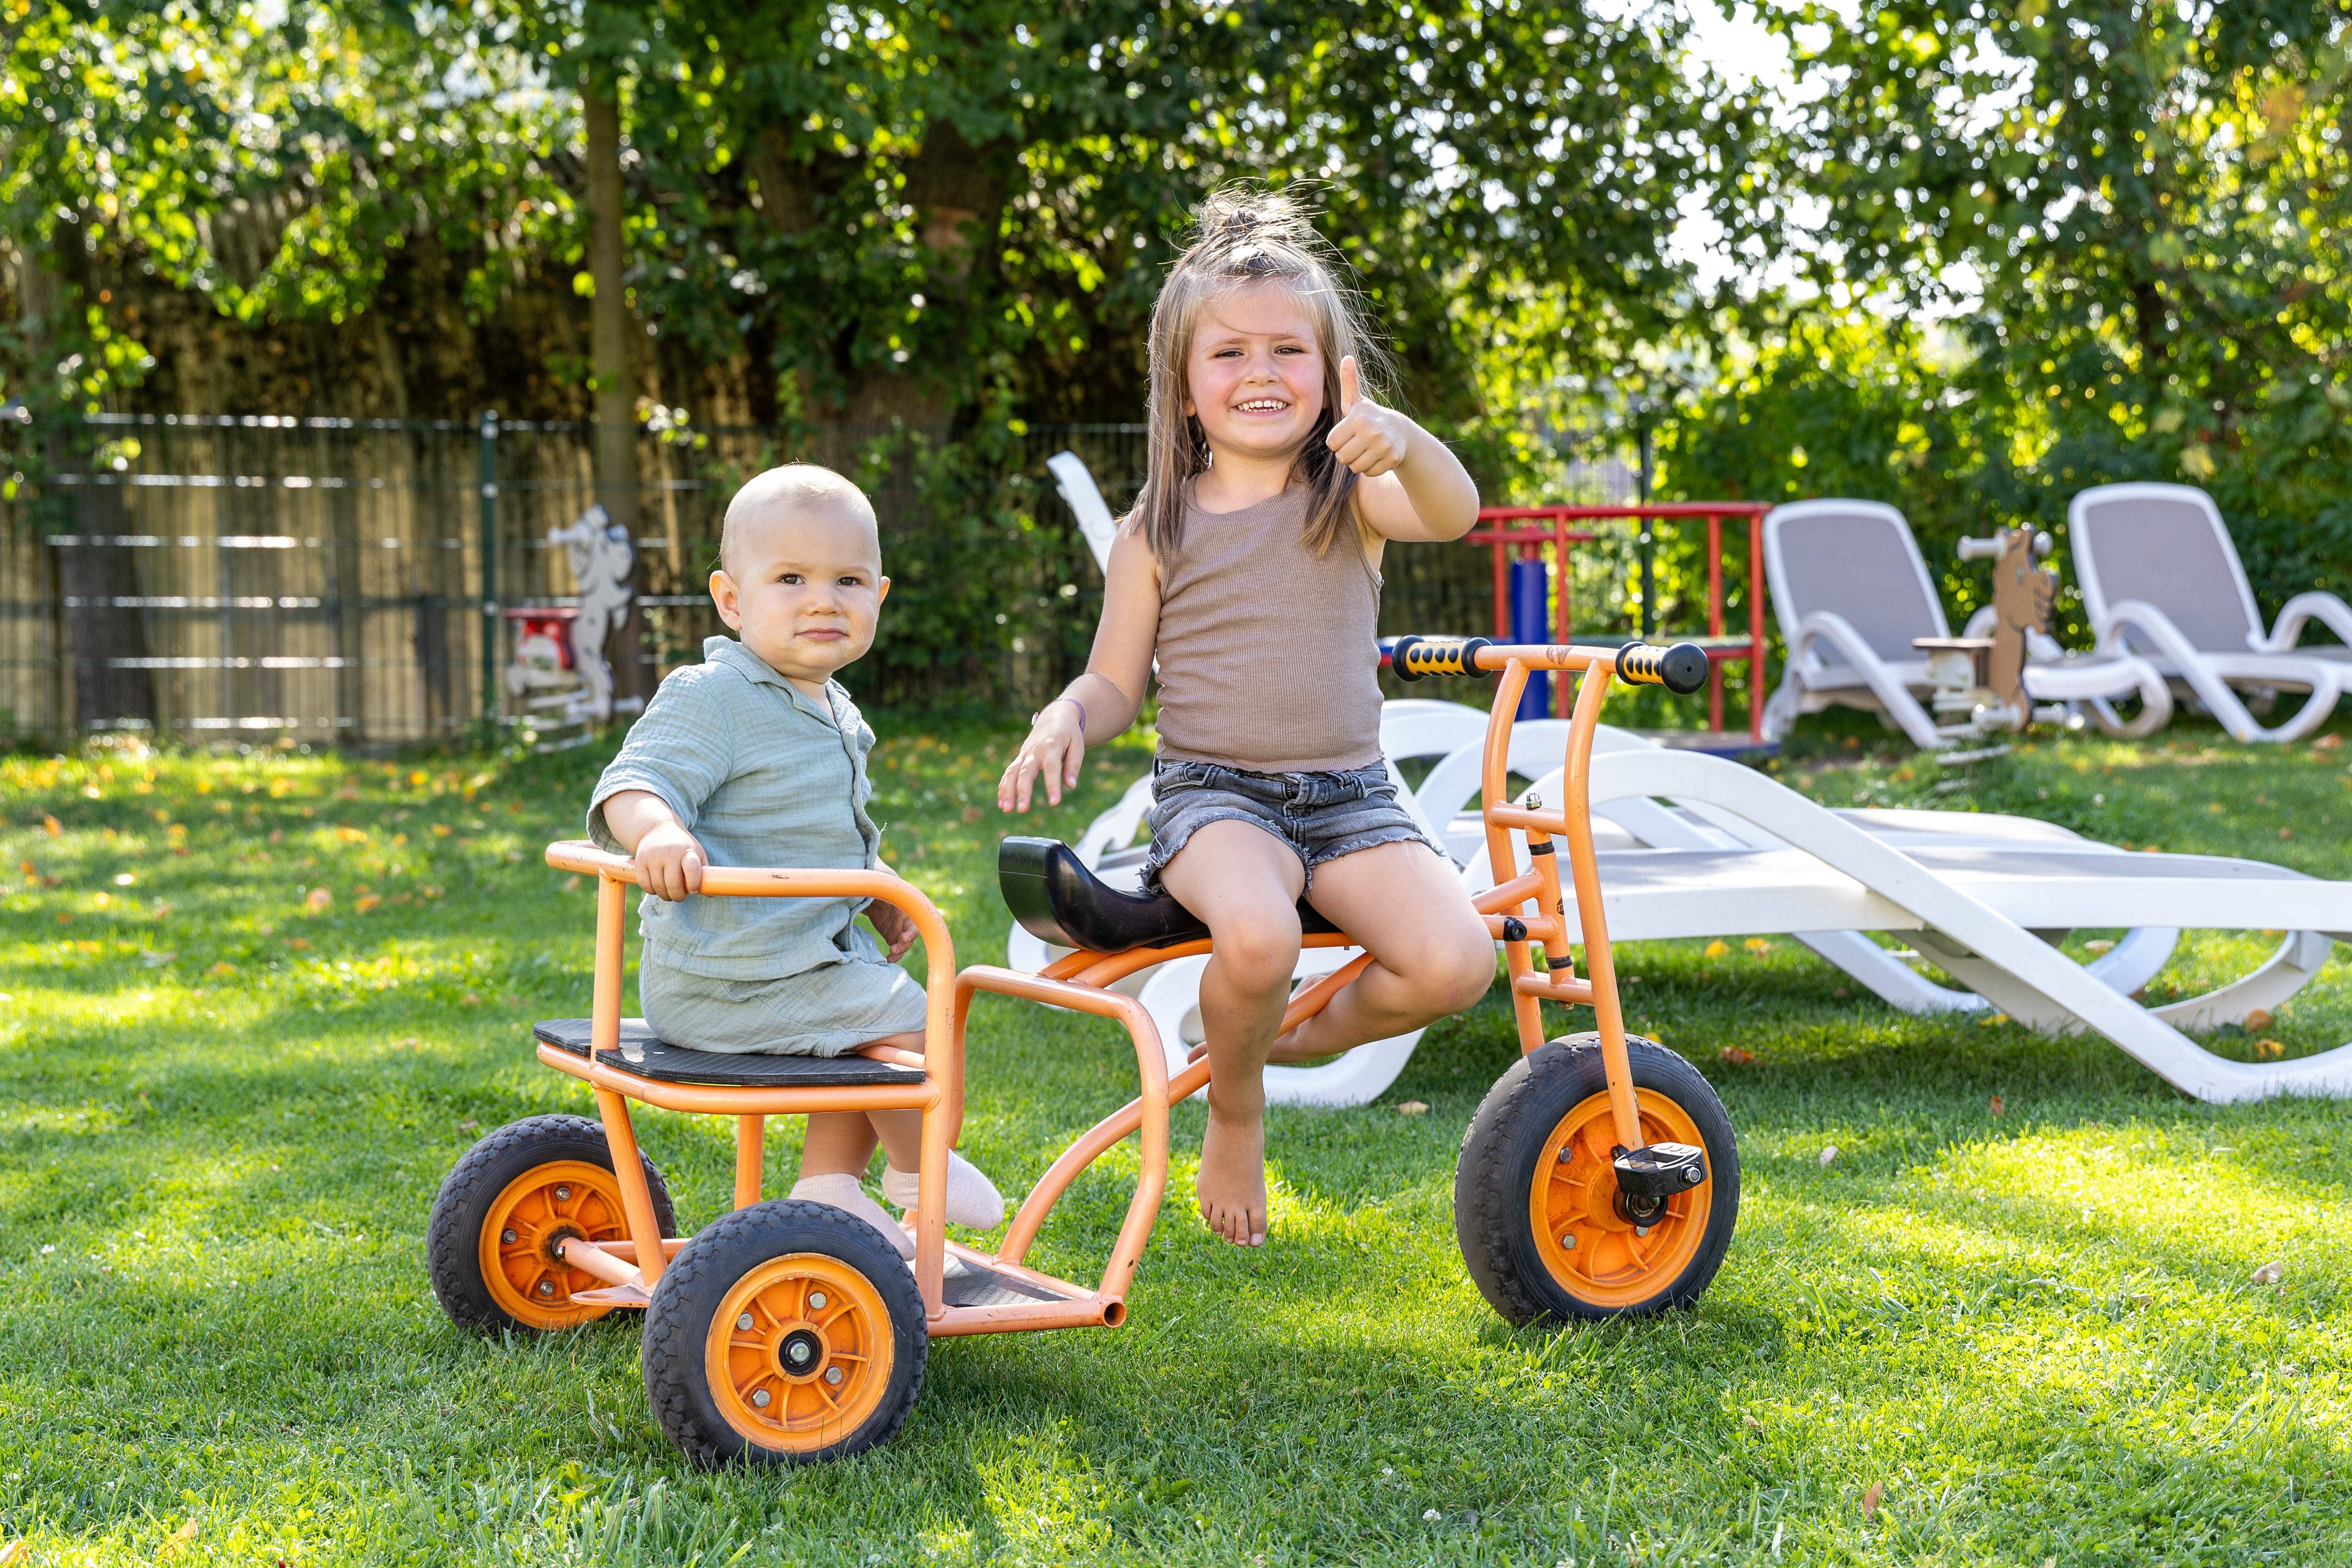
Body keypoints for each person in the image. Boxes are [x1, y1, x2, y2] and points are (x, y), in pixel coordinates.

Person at [996, 187, 1496, 1248]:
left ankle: (1283, 1043)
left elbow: (1457, 516)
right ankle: (1235, 1107)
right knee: (1260, 933)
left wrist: (1402, 439)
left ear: (1328, 375)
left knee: (1457, 961)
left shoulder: (1350, 496)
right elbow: (1115, 682)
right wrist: (1066, 715)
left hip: (1352, 797)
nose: (1261, 373)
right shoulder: (1158, 526)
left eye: (1288, 351)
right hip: (1215, 797)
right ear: (1183, 389)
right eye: (1228, 354)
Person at [590, 464, 1002, 1256]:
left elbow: (821, 828)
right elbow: (632, 784)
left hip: (797, 966)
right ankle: (923, 1176)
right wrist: (658, 834)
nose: (823, 599)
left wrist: (871, 891)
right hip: (727, 982)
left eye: (848, 579)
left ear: (879, 597)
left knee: (860, 1022)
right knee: (913, 1015)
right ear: (731, 599)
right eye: (790, 578)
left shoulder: (832, 704)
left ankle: (830, 1189)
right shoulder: (712, 694)